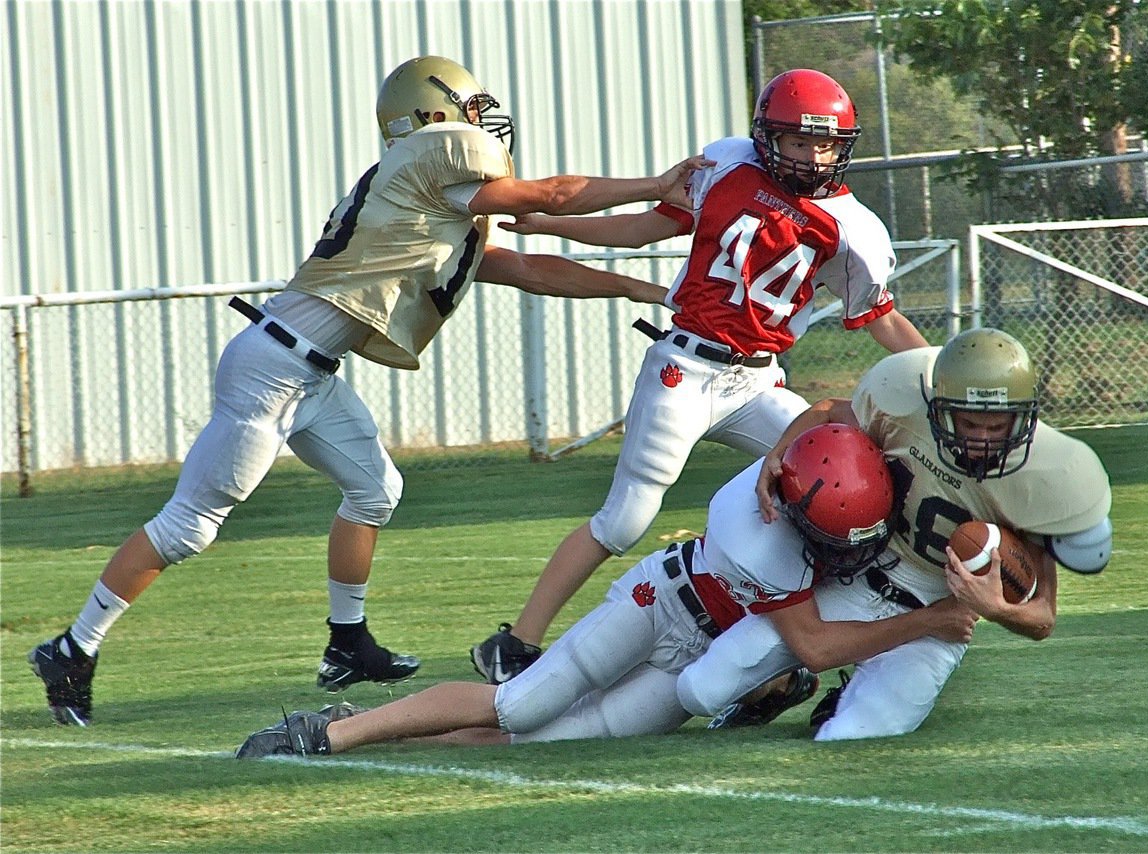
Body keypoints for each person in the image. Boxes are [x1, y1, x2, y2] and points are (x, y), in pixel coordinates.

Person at [28, 55, 708, 727]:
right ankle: (72, 648)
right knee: (189, 526)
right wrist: (656, 184)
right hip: (273, 366)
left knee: (376, 490)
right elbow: (551, 196)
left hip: (308, 370)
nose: (482, 123)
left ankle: (347, 644)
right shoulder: (434, 156)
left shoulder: (429, 202)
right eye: (471, 109)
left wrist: (640, 288)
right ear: (434, 114)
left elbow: (530, 270)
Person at [469, 68, 930, 684]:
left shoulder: (854, 227)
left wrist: (937, 377)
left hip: (758, 382)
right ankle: (516, 642)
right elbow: (640, 230)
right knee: (625, 520)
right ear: (767, 136)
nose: (812, 156)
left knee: (848, 493)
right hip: (684, 369)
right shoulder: (727, 164)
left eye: (825, 144)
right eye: (798, 141)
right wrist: (554, 224)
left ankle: (824, 663)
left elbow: (882, 319)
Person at [235, 424, 978, 758]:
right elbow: (812, 642)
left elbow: (831, 413)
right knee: (521, 705)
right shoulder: (758, 533)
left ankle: (379, 730)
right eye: (829, 535)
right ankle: (328, 735)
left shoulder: (825, 474)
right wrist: (932, 619)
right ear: (789, 506)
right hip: (661, 607)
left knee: (545, 741)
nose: (845, 552)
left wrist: (791, 439)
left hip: (696, 653)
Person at [685, 326, 1114, 740]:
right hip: (855, 583)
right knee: (702, 688)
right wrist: (777, 454)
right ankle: (790, 683)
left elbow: (1043, 618)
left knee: (848, 736)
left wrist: (997, 608)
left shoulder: (1037, 483)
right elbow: (828, 410)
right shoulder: (904, 412)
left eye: (997, 426)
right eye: (969, 424)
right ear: (939, 409)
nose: (982, 440)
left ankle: (850, 696)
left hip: (938, 621)